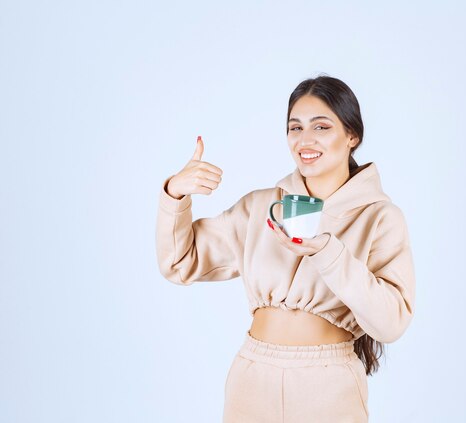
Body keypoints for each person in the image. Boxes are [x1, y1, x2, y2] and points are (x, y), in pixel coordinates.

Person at [156, 74, 416, 422]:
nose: (305, 139)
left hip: (329, 387)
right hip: (252, 379)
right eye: (295, 128)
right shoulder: (261, 207)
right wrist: (175, 194)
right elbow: (180, 262)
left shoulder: (381, 217)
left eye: (321, 127)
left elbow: (391, 323)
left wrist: (328, 253)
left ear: (352, 136)